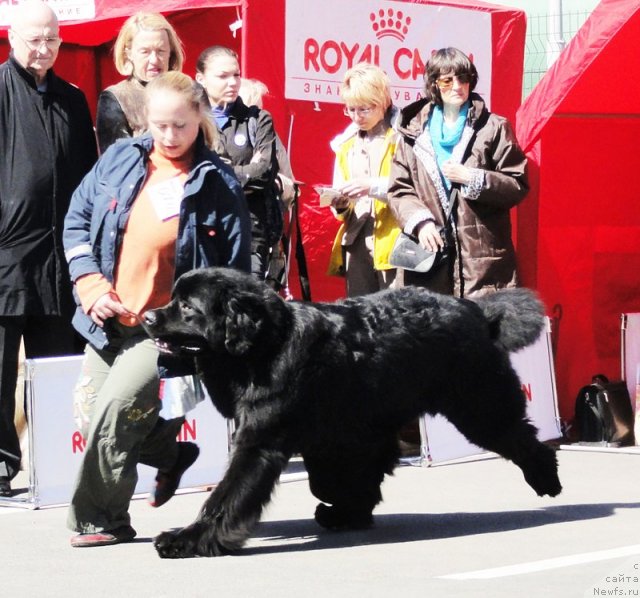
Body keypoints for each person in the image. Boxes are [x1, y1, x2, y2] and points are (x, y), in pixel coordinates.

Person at [64, 71, 251, 547]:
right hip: (106, 318)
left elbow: (233, 268)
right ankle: (170, 455)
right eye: (160, 125)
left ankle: (100, 520)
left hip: (167, 331)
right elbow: (77, 219)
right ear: (146, 119)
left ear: (200, 121)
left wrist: (211, 335)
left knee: (116, 412)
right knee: (92, 417)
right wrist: (89, 283)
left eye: (181, 126)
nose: (169, 136)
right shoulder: (122, 159)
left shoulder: (217, 181)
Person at [0, 0, 98, 498]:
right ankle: (1, 462)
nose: (43, 49)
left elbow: (88, 177)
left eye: (51, 40)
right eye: (34, 39)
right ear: (13, 39)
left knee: (60, 358)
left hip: (61, 255)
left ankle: (60, 455)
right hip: (7, 254)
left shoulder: (73, 98)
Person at [388, 47, 529, 298]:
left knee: (481, 333)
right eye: (447, 80)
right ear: (433, 84)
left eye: (463, 78)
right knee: (435, 331)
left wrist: (473, 178)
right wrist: (420, 222)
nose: (457, 86)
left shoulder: (494, 126)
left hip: (482, 261)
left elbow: (517, 184)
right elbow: (399, 188)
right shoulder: (412, 133)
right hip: (431, 258)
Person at [195, 46, 279, 280]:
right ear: (200, 79)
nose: (232, 82)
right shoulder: (190, 121)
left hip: (249, 232)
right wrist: (241, 172)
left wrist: (216, 171)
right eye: (223, 76)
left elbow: (263, 173)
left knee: (246, 308)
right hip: (202, 229)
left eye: (236, 75)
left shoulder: (257, 119)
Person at [326, 63, 402, 297]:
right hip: (358, 241)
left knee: (396, 317)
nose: (357, 117)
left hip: (395, 239)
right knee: (358, 318)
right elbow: (341, 203)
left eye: (365, 109)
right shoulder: (345, 144)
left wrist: (372, 186)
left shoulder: (402, 137)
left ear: (383, 101)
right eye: (351, 109)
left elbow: (415, 189)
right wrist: (339, 204)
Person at [95, 11, 184, 153]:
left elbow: (214, 148)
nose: (154, 60)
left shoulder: (191, 92)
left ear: (170, 52)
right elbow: (116, 159)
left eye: (161, 51)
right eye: (145, 52)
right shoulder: (117, 97)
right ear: (129, 53)